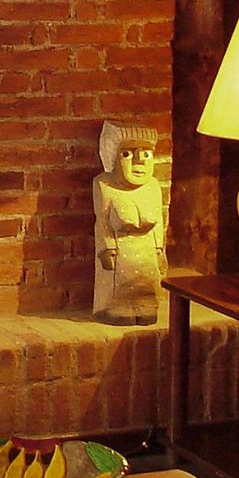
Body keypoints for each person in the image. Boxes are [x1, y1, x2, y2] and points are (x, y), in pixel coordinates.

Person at [92, 120, 164, 325]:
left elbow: (159, 221)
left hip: (146, 250)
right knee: (120, 283)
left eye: (146, 154)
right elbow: (102, 221)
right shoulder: (104, 185)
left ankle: (146, 305)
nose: (139, 161)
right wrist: (106, 249)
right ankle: (118, 308)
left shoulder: (153, 186)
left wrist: (159, 248)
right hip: (121, 250)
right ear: (113, 158)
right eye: (127, 154)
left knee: (147, 281)